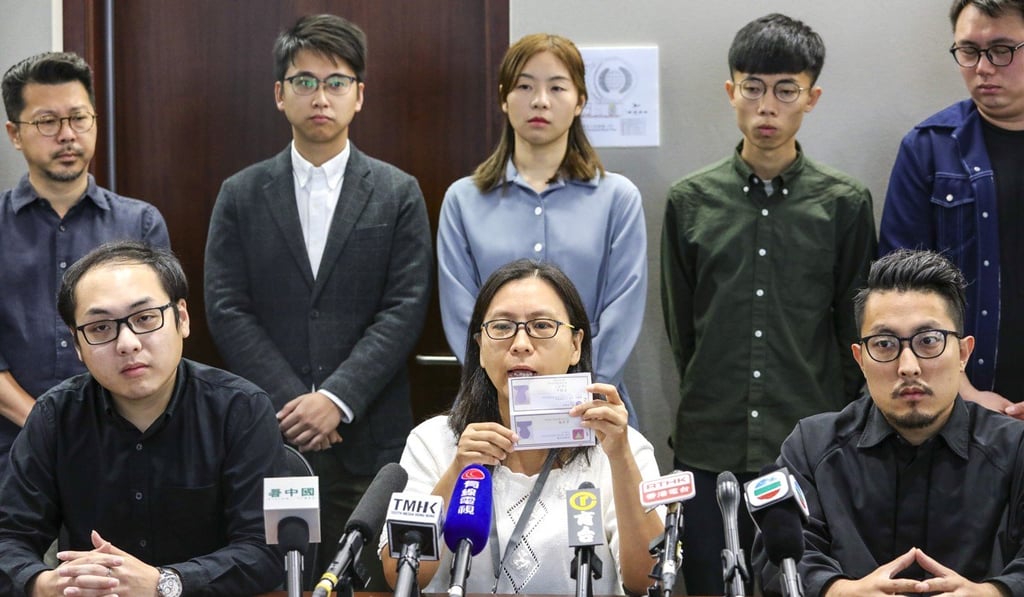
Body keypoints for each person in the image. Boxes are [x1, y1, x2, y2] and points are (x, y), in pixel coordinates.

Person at [204, 13, 432, 583]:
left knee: (376, 577)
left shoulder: (398, 192)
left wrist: (337, 397)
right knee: (278, 575)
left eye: (336, 82)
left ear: (360, 95)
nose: (320, 96)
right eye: (304, 81)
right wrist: (292, 402)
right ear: (280, 95)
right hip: (269, 434)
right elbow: (226, 307)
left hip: (369, 434)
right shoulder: (241, 193)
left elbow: (405, 307)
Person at [660, 13, 877, 595]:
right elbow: (684, 330)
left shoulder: (845, 204)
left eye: (786, 90)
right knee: (708, 582)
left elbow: (852, 329)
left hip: (807, 444)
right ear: (731, 92)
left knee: (800, 585)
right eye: (752, 88)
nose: (767, 106)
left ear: (812, 97)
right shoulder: (689, 201)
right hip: (710, 441)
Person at [0, 241, 286, 596]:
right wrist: (45, 585)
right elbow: (8, 537)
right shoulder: (55, 416)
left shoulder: (242, 410)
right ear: (77, 345)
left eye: (145, 318)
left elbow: (266, 551)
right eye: (101, 328)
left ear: (182, 318)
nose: (127, 343)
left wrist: (165, 583)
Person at [381, 259, 664, 595]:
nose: (520, 344)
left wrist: (620, 458)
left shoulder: (622, 445)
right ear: (480, 347)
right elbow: (399, 573)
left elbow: (648, 580)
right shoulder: (433, 442)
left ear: (576, 344)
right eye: (501, 327)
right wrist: (458, 470)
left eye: (542, 326)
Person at [755, 249, 1024, 597]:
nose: (908, 366)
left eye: (928, 341)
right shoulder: (811, 446)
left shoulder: (1015, 448)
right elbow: (776, 558)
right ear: (860, 359)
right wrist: (839, 592)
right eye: (884, 344)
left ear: (963, 354)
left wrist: (993, 593)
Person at [436, 33, 647, 427]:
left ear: (580, 100)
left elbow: (622, 311)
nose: (540, 100)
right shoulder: (463, 200)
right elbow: (462, 317)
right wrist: (509, 396)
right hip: (493, 413)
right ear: (503, 97)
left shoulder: (618, 198)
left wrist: (576, 402)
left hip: (595, 412)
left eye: (556, 87)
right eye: (524, 86)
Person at [0, 51, 169, 481]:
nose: (67, 135)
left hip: (119, 448)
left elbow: (158, 338)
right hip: (8, 449)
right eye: (47, 122)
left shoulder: (139, 223)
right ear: (14, 134)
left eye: (79, 118)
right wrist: (45, 425)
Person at [880, 0, 1024, 414]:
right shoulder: (928, 148)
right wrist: (965, 392)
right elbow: (899, 289)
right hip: (956, 404)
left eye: (1001, 50)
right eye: (968, 51)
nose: (982, 67)